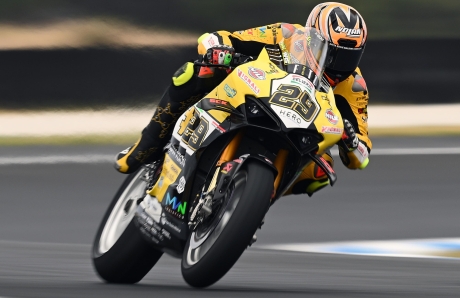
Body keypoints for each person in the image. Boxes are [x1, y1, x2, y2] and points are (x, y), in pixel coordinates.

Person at [115, 2, 372, 196]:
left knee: (321, 171)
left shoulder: (355, 86)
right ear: (312, 36)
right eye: (331, 52)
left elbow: (362, 154)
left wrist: (351, 141)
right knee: (196, 72)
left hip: (300, 130)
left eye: (350, 56)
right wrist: (218, 49)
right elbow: (226, 38)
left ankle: (247, 202)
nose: (338, 64)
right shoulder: (285, 35)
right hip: (255, 96)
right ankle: (145, 146)